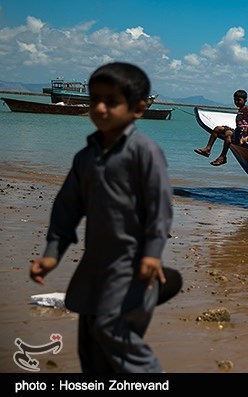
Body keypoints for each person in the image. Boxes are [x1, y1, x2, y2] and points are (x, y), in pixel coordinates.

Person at [29, 62, 174, 374]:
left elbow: (159, 205)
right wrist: (53, 253)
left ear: (137, 109)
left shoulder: (144, 152)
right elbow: (67, 207)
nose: (100, 108)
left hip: (132, 263)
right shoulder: (86, 157)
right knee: (90, 337)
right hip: (95, 262)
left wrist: (152, 253)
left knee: (114, 331)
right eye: (94, 99)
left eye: (111, 101)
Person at [194, 89, 248, 166]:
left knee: (228, 133)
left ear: (245, 100)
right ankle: (208, 149)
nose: (236, 102)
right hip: (238, 131)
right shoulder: (240, 109)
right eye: (235, 100)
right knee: (217, 128)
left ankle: (223, 156)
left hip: (243, 134)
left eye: (239, 100)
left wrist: (247, 128)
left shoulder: (247, 109)